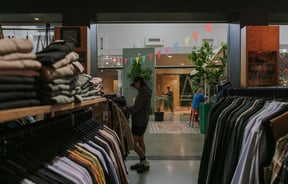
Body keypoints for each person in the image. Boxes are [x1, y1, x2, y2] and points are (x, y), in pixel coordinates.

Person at [124, 76, 152, 173]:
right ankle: (141, 163)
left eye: (135, 84)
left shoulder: (143, 93)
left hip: (139, 121)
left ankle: (144, 160)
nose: (135, 87)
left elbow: (137, 108)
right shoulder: (145, 92)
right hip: (143, 120)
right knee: (140, 141)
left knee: (132, 143)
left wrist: (126, 109)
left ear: (139, 82)